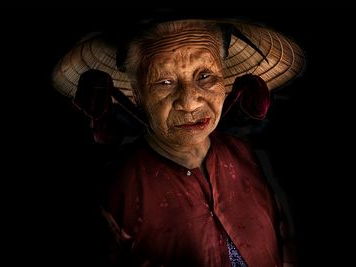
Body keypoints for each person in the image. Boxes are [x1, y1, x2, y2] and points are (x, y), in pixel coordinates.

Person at [52, 12, 305, 267]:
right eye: (164, 82)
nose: (189, 102)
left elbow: (285, 246)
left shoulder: (246, 156)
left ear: (225, 80)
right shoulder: (116, 190)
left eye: (205, 76)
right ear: (137, 94)